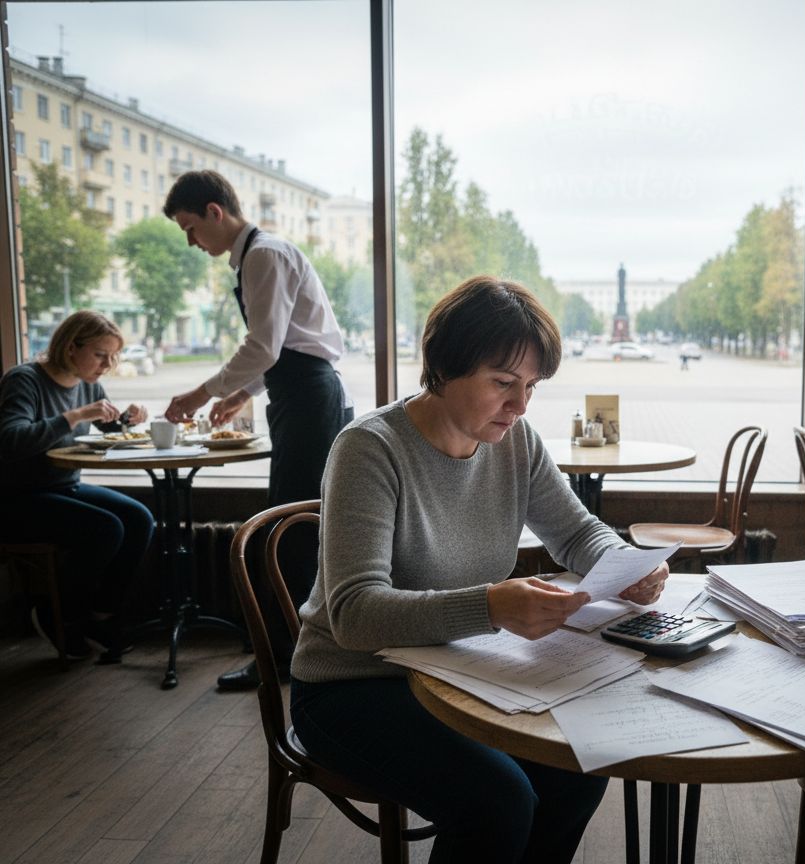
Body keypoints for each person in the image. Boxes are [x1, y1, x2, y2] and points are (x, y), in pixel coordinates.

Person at [289, 276, 669, 863]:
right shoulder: (370, 449)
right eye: (502, 384)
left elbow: (575, 531)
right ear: (443, 368)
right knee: (498, 800)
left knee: (578, 766)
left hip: (457, 669)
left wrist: (621, 565)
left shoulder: (516, 443)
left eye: (531, 386)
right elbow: (354, 616)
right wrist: (491, 606)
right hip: (352, 683)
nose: (520, 406)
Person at [161, 170, 353, 691]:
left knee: (286, 529)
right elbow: (286, 346)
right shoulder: (260, 254)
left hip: (308, 396)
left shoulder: (263, 255)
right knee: (295, 525)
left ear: (214, 213)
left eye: (189, 227)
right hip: (304, 392)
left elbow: (267, 346)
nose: (191, 240)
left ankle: (288, 656)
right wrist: (243, 393)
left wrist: (200, 395)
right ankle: (300, 649)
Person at [0, 311, 154, 662]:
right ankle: (59, 616)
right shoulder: (25, 380)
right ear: (71, 347)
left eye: (113, 356)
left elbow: (105, 427)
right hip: (16, 498)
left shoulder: (87, 382)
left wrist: (124, 419)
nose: (108, 365)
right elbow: (10, 440)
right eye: (101, 355)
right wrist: (76, 415)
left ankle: (97, 616)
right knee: (105, 528)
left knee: (139, 519)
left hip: (62, 485)